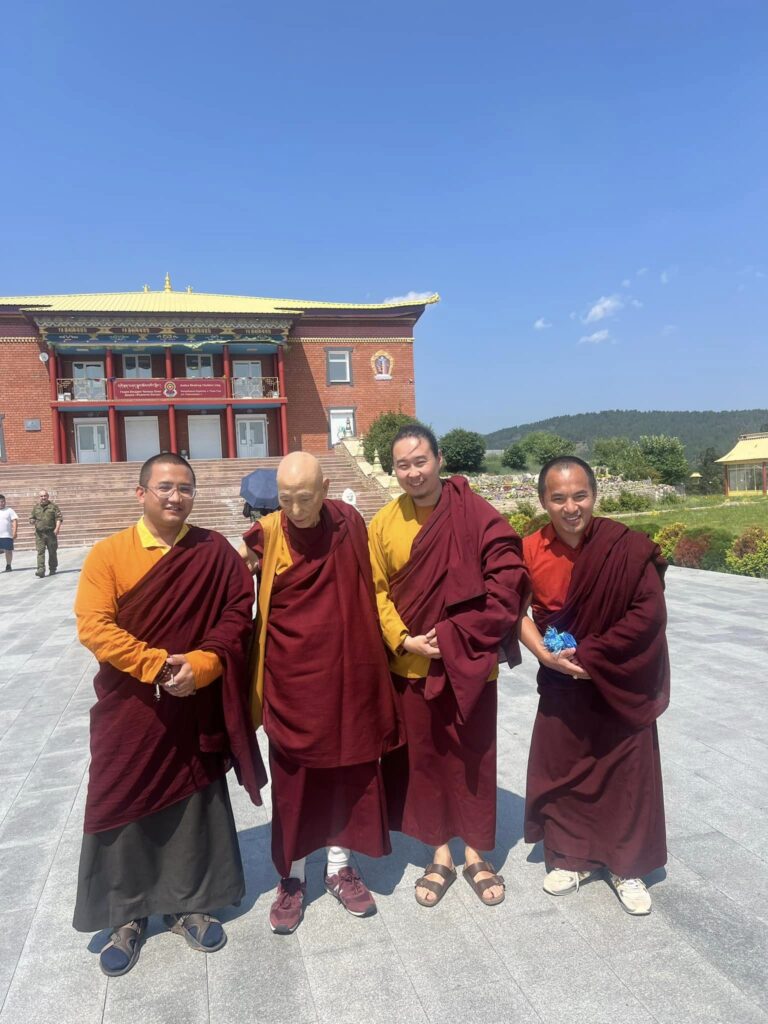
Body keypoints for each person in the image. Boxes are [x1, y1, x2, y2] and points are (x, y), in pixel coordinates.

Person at [73, 453, 266, 976]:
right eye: (164, 487)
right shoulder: (109, 555)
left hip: (192, 703)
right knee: (121, 800)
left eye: (185, 488)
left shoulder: (214, 551)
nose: (175, 496)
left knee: (193, 803)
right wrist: (156, 666)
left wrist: (202, 666)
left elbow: (236, 617)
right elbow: (94, 626)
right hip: (130, 705)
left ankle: (189, 904)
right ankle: (126, 916)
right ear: (141, 493)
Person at [368, 424, 529, 908]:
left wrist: (460, 634)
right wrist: (404, 639)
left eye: (420, 460)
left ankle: (478, 853)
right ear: (392, 470)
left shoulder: (475, 514)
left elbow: (508, 582)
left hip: (471, 665)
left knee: (473, 759)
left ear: (438, 460)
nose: (412, 471)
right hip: (411, 666)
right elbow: (373, 591)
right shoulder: (382, 524)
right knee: (425, 762)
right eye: (402, 464)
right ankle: (439, 853)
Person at [242, 451, 399, 935]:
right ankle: (290, 876)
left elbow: (374, 586)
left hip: (348, 678)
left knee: (345, 775)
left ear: (327, 488)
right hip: (292, 685)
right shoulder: (265, 535)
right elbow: (229, 590)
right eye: (285, 499)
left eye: (304, 498)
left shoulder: (349, 522)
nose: (295, 509)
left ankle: (338, 866)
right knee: (294, 785)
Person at [521, 456, 669, 916]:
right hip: (562, 679)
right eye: (559, 497)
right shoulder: (529, 549)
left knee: (626, 772)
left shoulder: (623, 546)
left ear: (594, 495)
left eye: (580, 495)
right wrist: (544, 655)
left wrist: (594, 656)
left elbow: (648, 613)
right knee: (564, 769)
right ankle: (572, 857)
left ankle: (627, 866)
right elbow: (513, 611)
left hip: (619, 678)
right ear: (544, 500)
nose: (571, 507)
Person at [29, 489, 62, 577]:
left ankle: (52, 568)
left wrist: (57, 528)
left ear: (48, 496)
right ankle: (41, 570)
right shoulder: (36, 507)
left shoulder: (53, 506)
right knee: (40, 552)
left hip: (51, 533)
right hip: (39, 534)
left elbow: (59, 518)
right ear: (39, 497)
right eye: (41, 496)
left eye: (45, 496)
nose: (43, 498)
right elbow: (31, 517)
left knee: (52, 552)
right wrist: (32, 521)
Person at [0, 495, 18, 571]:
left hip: (7, 535)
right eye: (0, 502)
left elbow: (14, 521)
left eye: (3, 501)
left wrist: (14, 532)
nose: (2, 503)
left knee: (8, 551)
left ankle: (8, 565)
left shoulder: (9, 510)